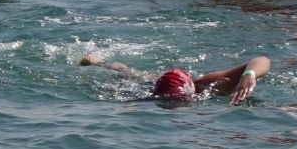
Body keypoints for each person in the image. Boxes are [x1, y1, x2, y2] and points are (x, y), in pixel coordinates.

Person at [78, 53, 271, 104]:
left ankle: (97, 61)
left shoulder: (206, 85)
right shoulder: (152, 96)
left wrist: (248, 75)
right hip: (152, 87)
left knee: (133, 74)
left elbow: (262, 60)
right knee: (133, 77)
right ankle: (99, 62)